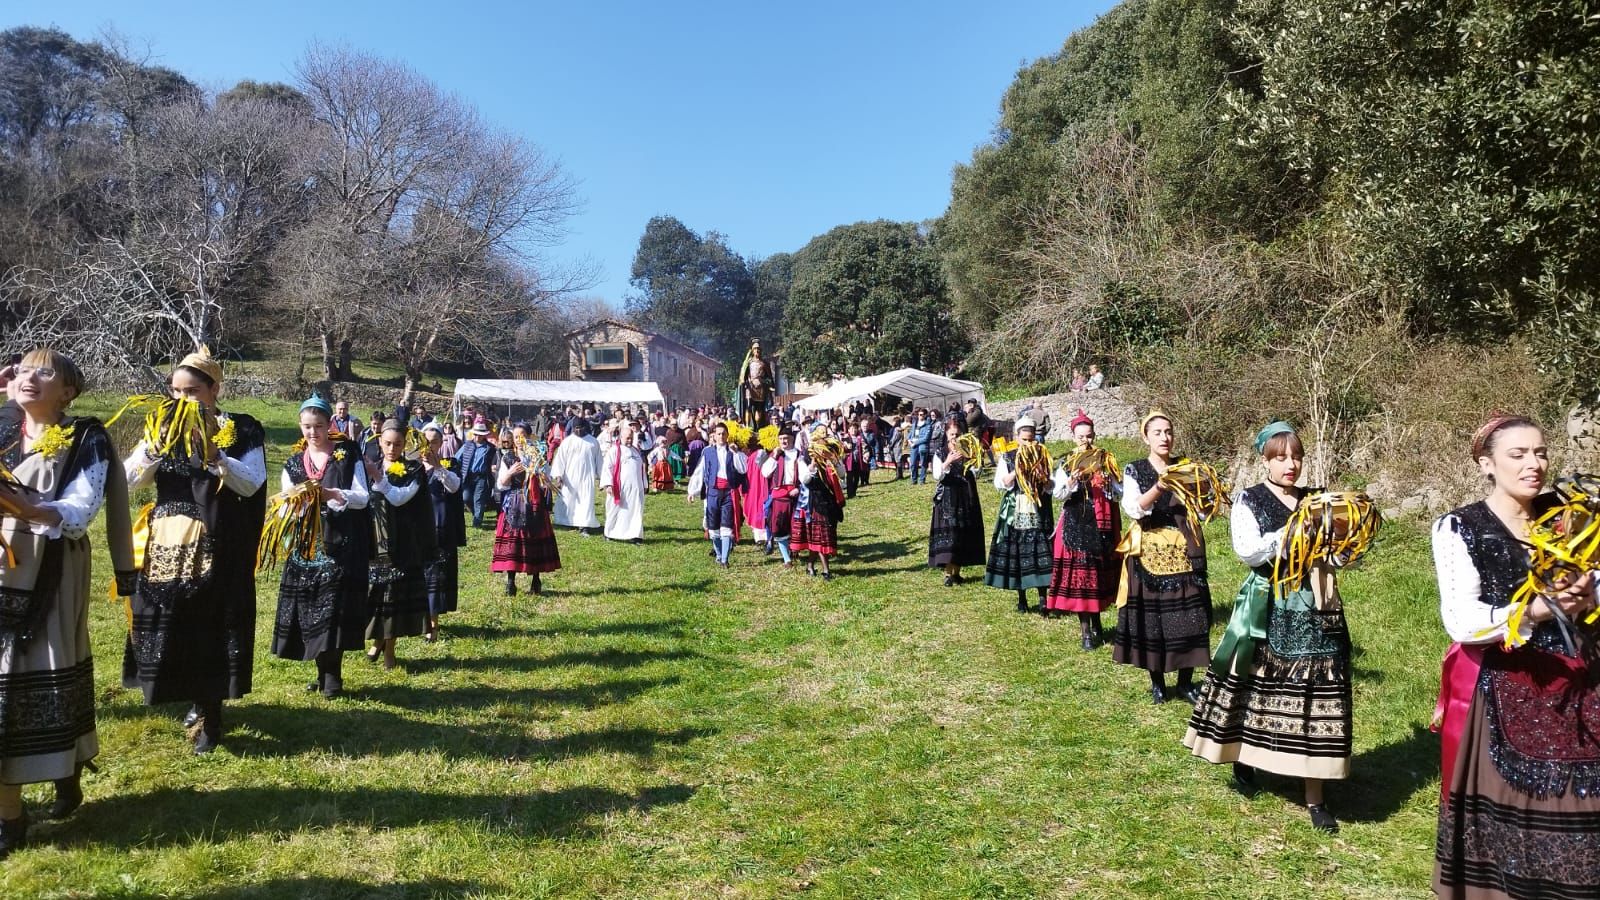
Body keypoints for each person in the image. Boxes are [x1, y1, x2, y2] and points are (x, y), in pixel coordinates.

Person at [1431, 415, 1600, 898]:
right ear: (1487, 464)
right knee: (1518, 816)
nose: (1535, 464)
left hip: (1585, 683)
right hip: (1511, 688)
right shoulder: (1460, 526)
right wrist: (1538, 610)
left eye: (1541, 452)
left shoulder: (1573, 517)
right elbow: (1462, 620)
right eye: (1518, 455)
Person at [1183, 422, 1349, 834]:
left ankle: (1315, 794)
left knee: (1320, 691)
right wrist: (1292, 532)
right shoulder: (1249, 500)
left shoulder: (1318, 499)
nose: (1290, 465)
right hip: (1269, 601)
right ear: (1265, 460)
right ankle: (1244, 753)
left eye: (1295, 457)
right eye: (1280, 457)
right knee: (1257, 684)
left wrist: (1344, 545)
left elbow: (1341, 555)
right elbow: (1248, 550)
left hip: (1318, 603)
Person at [0, 350, 130, 857]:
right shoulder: (4, 428)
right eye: (22, 370)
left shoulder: (86, 437)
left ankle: (61, 766)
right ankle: (13, 812)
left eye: (45, 372)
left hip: (49, 570)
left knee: (41, 670)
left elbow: (78, 511)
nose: (30, 378)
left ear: (69, 392)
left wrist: (25, 506)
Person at [122, 348, 267, 754]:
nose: (183, 398)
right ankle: (191, 695)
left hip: (216, 539)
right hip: (170, 538)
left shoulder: (241, 428)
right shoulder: (161, 425)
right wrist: (153, 450)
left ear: (214, 389)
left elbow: (251, 483)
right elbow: (129, 479)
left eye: (193, 391)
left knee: (210, 622)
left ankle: (211, 713)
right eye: (176, 390)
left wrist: (217, 456)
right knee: (174, 618)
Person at [270, 394, 370, 699]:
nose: (312, 432)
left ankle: (333, 676)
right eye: (307, 427)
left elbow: (363, 496)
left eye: (318, 426)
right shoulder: (292, 463)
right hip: (306, 546)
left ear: (330, 425)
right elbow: (285, 505)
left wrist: (331, 495)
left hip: (340, 542)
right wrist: (299, 504)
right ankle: (321, 673)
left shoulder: (348, 454)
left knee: (334, 608)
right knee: (312, 609)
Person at [1113, 412, 1213, 704]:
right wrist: (1160, 486)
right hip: (1150, 551)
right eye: (1157, 432)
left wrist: (1205, 495)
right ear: (1146, 437)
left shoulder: (1185, 467)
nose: (1164, 438)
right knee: (1153, 619)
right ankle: (1157, 683)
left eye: (1168, 432)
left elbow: (1203, 511)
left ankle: (1185, 682)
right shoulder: (1136, 469)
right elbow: (1133, 508)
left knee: (1191, 617)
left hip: (1184, 548)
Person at [363, 421, 436, 671]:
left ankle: (390, 649)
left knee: (393, 594)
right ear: (380, 442)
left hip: (401, 541)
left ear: (405, 444)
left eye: (397, 444)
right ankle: (377, 639)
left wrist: (378, 479)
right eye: (387, 443)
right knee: (375, 592)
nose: (392, 448)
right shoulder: (368, 465)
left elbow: (398, 497)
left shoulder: (413, 469)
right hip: (373, 539)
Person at [1046, 410, 1122, 647]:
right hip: (1077, 524)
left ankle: (1098, 623)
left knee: (1099, 576)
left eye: (1088, 436)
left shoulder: (1105, 459)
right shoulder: (1067, 462)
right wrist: (1071, 483)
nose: (1085, 441)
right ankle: (1086, 632)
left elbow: (1120, 493)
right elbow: (1057, 494)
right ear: (1073, 437)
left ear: (1094, 435)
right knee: (1082, 579)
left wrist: (1110, 484)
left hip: (1102, 523)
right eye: (1080, 437)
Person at [984, 416, 1055, 612]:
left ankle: (1043, 598)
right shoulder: (1008, 456)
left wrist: (1043, 475)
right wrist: (1018, 470)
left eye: (1031, 439)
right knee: (1017, 551)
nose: (1028, 443)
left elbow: (1051, 487)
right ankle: (1021, 597)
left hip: (1037, 508)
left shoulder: (1043, 455)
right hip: (1016, 509)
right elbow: (1001, 483)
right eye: (1024, 439)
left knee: (1039, 550)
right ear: (1017, 437)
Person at [493, 431, 561, 596]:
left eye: (522, 436)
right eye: (516, 437)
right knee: (514, 542)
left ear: (529, 437)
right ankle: (511, 582)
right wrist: (510, 473)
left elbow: (547, 482)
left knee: (535, 538)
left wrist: (539, 473)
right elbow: (501, 485)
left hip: (534, 503)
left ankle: (535, 580)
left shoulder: (538, 456)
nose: (519, 439)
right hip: (514, 504)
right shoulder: (508, 457)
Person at [928, 413, 985, 586]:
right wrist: (948, 461)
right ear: (946, 434)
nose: (955, 437)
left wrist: (975, 460)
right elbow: (937, 474)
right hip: (948, 496)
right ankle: (947, 573)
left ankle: (957, 571)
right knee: (951, 532)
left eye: (958, 434)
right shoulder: (940, 452)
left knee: (963, 532)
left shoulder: (968, 449)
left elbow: (977, 471)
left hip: (966, 494)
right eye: (952, 434)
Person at [421, 423, 464, 642]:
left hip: (440, 526)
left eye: (434, 442)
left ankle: (433, 624)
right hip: (417, 528)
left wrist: (438, 467)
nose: (429, 446)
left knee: (436, 576)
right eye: (425, 441)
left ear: (441, 443)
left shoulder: (450, 464)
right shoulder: (411, 465)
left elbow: (454, 487)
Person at [791, 428, 846, 579]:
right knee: (822, 536)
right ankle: (826, 570)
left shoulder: (831, 455)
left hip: (830, 501)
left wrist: (834, 461)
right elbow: (804, 480)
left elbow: (842, 475)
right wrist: (812, 467)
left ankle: (809, 564)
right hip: (813, 501)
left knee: (822, 536)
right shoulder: (804, 458)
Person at [692, 422, 747, 567]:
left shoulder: (733, 451)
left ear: (728, 435)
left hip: (728, 492)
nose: (721, 436)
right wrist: (693, 491)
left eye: (723, 433)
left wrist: (736, 453)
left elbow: (743, 469)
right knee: (713, 528)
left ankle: (725, 560)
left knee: (726, 526)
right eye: (718, 434)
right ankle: (719, 554)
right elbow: (700, 471)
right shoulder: (708, 452)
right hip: (713, 492)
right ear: (714, 436)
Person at [759, 427, 803, 567]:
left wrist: (798, 488)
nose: (784, 441)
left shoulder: (799, 455)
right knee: (779, 527)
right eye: (781, 439)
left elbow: (805, 476)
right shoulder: (775, 455)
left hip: (796, 494)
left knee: (796, 526)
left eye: (786, 438)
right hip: (779, 495)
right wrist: (774, 456)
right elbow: (765, 473)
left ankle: (794, 550)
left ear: (792, 439)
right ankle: (787, 559)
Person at [550, 419, 601, 534]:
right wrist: (559, 476)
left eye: (580, 428)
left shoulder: (593, 442)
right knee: (568, 500)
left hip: (587, 477)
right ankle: (567, 521)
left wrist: (603, 479)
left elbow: (599, 461)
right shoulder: (567, 442)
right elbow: (560, 460)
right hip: (570, 477)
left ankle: (585, 526)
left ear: (585, 427)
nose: (578, 430)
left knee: (586, 500)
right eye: (576, 428)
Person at [602, 421, 646, 544]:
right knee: (615, 511)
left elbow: (641, 468)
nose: (629, 441)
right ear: (621, 437)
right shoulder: (614, 451)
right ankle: (610, 533)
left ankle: (635, 535)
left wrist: (644, 485)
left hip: (636, 489)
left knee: (635, 511)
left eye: (631, 438)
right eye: (627, 438)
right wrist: (608, 485)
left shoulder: (636, 451)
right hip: (619, 488)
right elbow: (607, 468)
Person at [454, 416, 497, 529]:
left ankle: (477, 522)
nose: (477, 436)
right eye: (476, 434)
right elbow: (457, 458)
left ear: (484, 435)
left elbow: (495, 461)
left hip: (482, 477)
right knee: (466, 498)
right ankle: (476, 515)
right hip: (467, 476)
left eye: (480, 434)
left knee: (479, 499)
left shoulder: (490, 448)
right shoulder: (467, 445)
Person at [743, 435, 771, 548]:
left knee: (755, 507)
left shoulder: (750, 457)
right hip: (765, 487)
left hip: (752, 488)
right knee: (763, 507)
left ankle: (758, 536)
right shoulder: (768, 455)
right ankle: (764, 535)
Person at [907, 409, 933, 485]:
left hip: (922, 446)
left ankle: (922, 480)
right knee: (912, 463)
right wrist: (909, 441)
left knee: (923, 463)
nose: (919, 416)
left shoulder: (928, 425)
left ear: (925, 415)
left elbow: (926, 438)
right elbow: (910, 434)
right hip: (913, 446)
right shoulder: (915, 424)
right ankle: (913, 480)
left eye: (921, 414)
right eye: (918, 414)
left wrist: (915, 442)